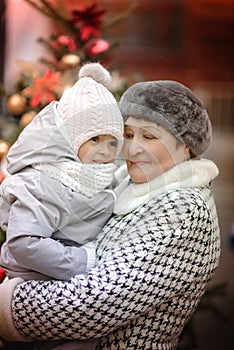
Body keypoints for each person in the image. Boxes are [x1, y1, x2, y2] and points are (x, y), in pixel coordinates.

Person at [0, 79, 220, 349]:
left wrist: (8, 303)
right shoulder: (127, 181)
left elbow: (96, 305)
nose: (131, 149)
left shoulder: (184, 210)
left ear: (186, 147)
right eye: (127, 135)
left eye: (149, 136)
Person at [0, 62, 124, 281]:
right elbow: (24, 242)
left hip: (58, 278)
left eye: (112, 143)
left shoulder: (91, 176)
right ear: (70, 138)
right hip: (32, 282)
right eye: (94, 139)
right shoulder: (44, 182)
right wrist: (83, 260)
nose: (104, 151)